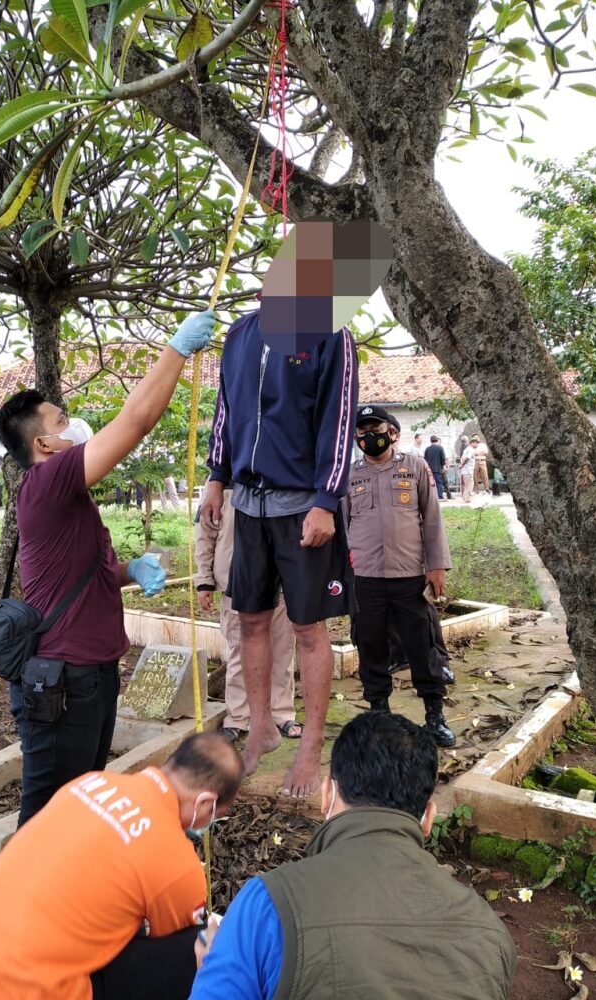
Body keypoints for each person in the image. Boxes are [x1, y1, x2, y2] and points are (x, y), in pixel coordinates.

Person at [0, 309, 213, 827]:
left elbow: (89, 572)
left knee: (80, 800)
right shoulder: (50, 480)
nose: (77, 427)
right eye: (63, 422)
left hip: (90, 674)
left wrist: (131, 570)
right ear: (43, 444)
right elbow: (135, 421)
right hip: (63, 681)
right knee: (47, 815)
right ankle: (26, 904)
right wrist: (175, 350)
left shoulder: (70, 499)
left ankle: (71, 901)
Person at [191, 712, 517, 1000]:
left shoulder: (268, 903)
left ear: (327, 795)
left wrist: (213, 966)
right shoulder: (489, 931)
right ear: (428, 818)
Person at [0, 732, 244, 1000]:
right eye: (213, 817)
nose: (207, 825)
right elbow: (180, 942)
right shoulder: (177, 863)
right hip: (28, 990)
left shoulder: (91, 783)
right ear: (205, 803)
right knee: (206, 946)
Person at [202, 304, 357, 799]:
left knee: (308, 627)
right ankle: (261, 728)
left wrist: (326, 500)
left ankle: (310, 743)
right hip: (248, 505)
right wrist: (216, 475)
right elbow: (226, 406)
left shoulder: (330, 331)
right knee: (249, 617)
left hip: (302, 505)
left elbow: (340, 415)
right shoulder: (241, 332)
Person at [347, 406, 455, 746]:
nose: (369, 436)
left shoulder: (415, 467)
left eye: (375, 428)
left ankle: (434, 717)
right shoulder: (350, 476)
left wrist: (436, 566)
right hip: (364, 577)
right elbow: (341, 527)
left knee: (422, 647)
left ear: (392, 433)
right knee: (371, 646)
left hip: (409, 575)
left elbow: (432, 519)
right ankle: (380, 714)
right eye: (361, 432)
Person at [195, 486, 300, 743]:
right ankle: (238, 717)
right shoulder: (220, 482)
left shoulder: (278, 471)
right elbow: (205, 533)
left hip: (281, 579)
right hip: (236, 582)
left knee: (282, 650)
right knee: (239, 651)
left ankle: (280, 713)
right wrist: (204, 580)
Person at [423, 435, 448, 501]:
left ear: (430, 441)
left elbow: (425, 459)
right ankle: (439, 496)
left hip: (429, 469)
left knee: (430, 483)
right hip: (437, 468)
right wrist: (443, 465)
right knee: (438, 482)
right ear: (437, 440)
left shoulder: (427, 449)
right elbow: (443, 458)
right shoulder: (440, 448)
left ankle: (430, 497)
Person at [458, 435, 475, 501]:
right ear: (471, 442)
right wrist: (462, 465)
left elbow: (462, 458)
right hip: (468, 470)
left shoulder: (464, 449)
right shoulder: (470, 449)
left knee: (466, 484)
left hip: (464, 470)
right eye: (475, 442)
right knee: (469, 484)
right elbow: (467, 458)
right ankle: (467, 498)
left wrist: (461, 465)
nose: (476, 444)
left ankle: (464, 497)